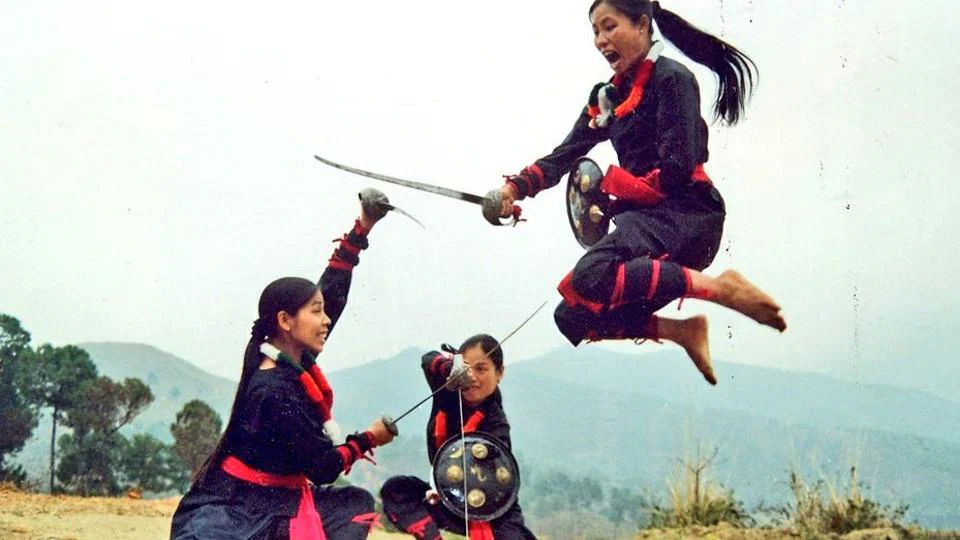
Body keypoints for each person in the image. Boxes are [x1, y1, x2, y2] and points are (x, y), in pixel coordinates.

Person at [495, 0, 786, 385]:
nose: (601, 40)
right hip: (647, 224)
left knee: (592, 275)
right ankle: (683, 332)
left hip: (689, 214)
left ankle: (722, 288)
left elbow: (678, 167)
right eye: (595, 31)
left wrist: (615, 192)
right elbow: (567, 153)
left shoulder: (672, 79)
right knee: (572, 317)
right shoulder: (606, 99)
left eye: (609, 26)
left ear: (642, 25)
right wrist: (514, 188)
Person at [170, 198, 396, 540]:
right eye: (316, 312)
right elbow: (322, 468)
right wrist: (368, 438)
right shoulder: (274, 390)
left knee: (357, 502)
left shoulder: (292, 360)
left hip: (280, 496)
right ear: (285, 321)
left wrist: (362, 228)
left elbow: (331, 292)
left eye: (323, 311)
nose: (326, 319)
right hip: (242, 508)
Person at [380, 334, 536, 540]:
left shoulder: (497, 424)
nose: (472, 377)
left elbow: (491, 480)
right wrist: (451, 370)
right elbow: (428, 360)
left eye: (481, 369)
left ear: (500, 373)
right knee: (396, 489)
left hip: (489, 504)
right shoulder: (448, 386)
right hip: (445, 495)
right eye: (466, 368)